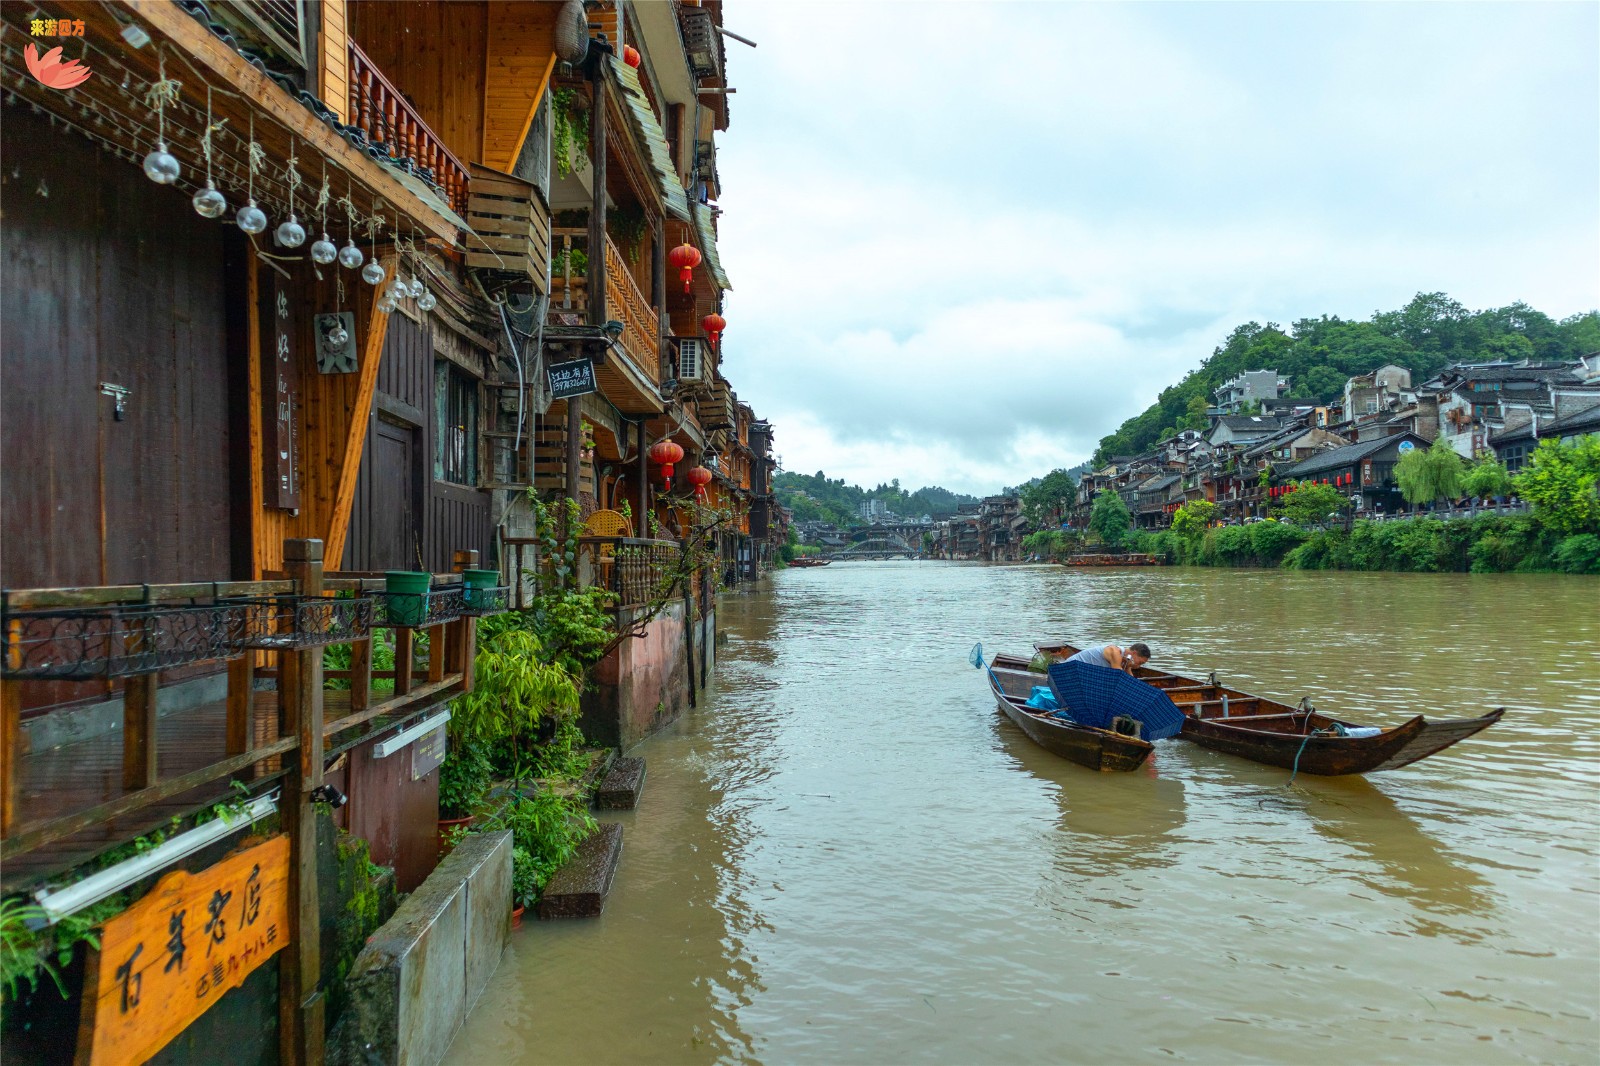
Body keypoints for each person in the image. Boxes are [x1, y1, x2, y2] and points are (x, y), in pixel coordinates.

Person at [1067, 642, 1151, 675]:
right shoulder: (1115, 652)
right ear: (1134, 653)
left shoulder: (1126, 661)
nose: (1139, 666)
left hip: (1083, 672)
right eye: (1140, 663)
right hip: (1069, 668)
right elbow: (1117, 676)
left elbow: (1131, 681)